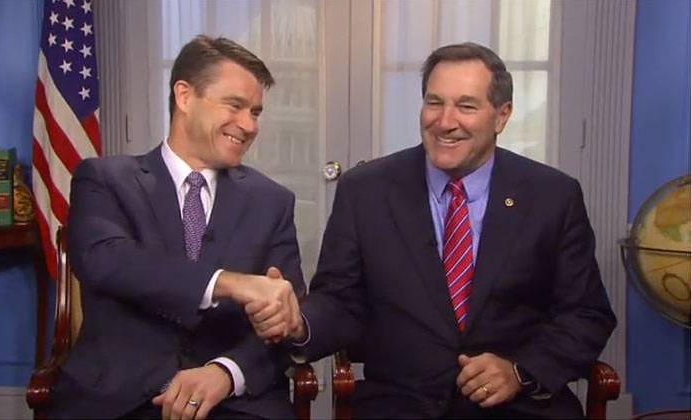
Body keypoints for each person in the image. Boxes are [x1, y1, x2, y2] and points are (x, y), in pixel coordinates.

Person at [249, 42, 617, 418]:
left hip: (517, 407)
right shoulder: (366, 191)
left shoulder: (552, 196)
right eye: (435, 102)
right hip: (401, 405)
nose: (445, 121)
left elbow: (586, 314)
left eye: (467, 106)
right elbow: (341, 301)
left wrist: (519, 372)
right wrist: (299, 323)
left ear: (502, 116)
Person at [51, 35, 305, 419]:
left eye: (255, 112)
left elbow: (286, 319)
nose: (249, 125)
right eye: (235, 106)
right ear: (184, 96)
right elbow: (107, 261)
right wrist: (232, 282)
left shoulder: (272, 201)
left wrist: (226, 373)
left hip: (235, 404)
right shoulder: (105, 179)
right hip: (120, 403)